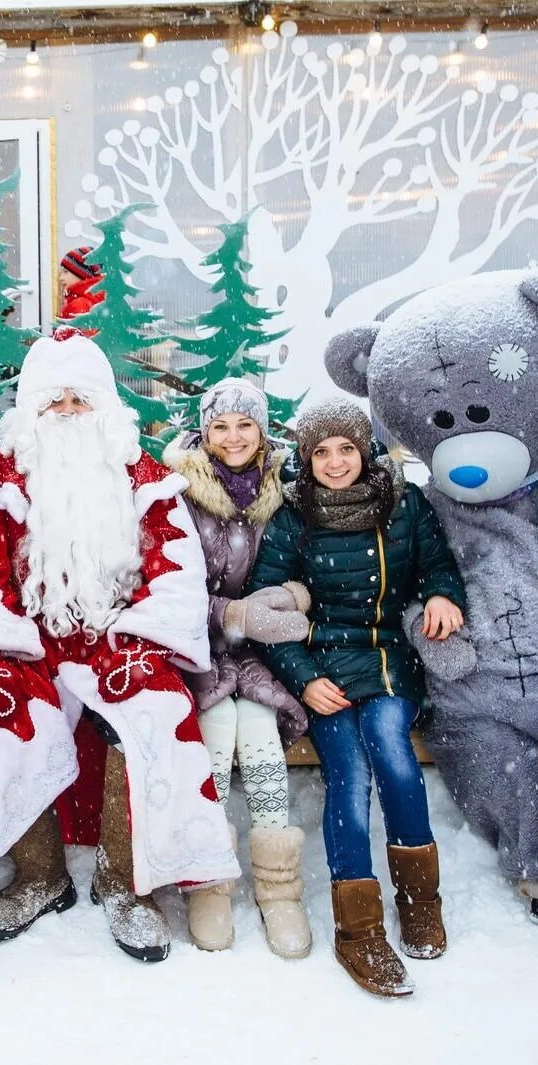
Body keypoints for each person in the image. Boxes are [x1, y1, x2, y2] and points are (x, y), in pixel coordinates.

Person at [0, 331, 239, 965]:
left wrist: (141, 636)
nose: (65, 413)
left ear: (105, 407)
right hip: (30, 637)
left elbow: (174, 569)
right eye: (51, 401)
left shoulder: (143, 474)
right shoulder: (0, 474)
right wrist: (2, 643)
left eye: (79, 401)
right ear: (29, 410)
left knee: (155, 706)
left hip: (120, 635)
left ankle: (122, 880)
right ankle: (41, 875)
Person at [248, 398, 467, 998]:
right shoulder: (294, 517)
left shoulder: (404, 501)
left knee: (392, 749)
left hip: (387, 654)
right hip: (323, 662)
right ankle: (359, 926)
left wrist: (445, 595)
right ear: (305, 459)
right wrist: (302, 679)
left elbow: (437, 566)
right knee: (347, 772)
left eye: (346, 448)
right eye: (321, 452)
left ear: (365, 450)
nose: (335, 461)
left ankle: (420, 898)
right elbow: (268, 611)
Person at [162, 378, 314, 958]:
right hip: (195, 649)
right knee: (217, 728)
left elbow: (304, 565)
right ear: (204, 431)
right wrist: (236, 615)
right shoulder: (179, 494)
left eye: (245, 425)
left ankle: (281, 890)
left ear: (262, 430)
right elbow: (168, 593)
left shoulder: (282, 492)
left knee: (259, 733)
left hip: (261, 654)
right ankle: (210, 879)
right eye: (221, 426)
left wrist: (294, 598)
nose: (233, 437)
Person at [57, 246, 105, 320]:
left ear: (83, 274)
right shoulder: (98, 301)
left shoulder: (79, 305)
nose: (61, 278)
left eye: (65, 272)